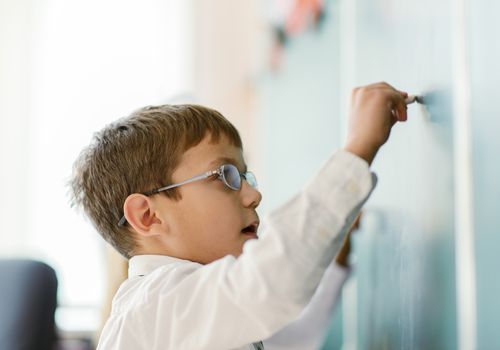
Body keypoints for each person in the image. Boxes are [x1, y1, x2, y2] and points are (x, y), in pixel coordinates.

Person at [70, 82, 409, 350]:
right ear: (148, 216)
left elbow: (291, 336)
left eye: (246, 177)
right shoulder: (154, 307)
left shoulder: (189, 305)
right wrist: (358, 149)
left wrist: (337, 242)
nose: (254, 194)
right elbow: (270, 284)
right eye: (226, 177)